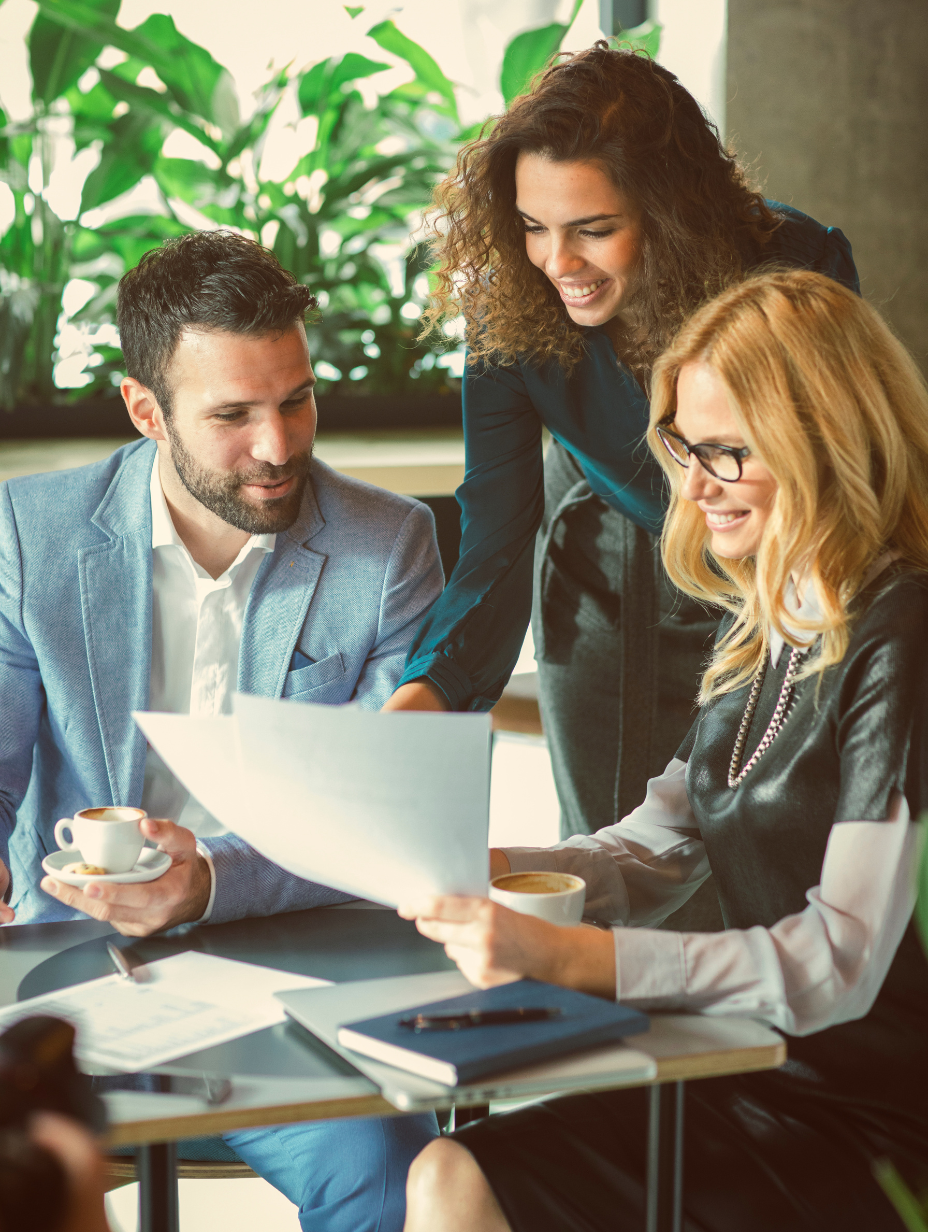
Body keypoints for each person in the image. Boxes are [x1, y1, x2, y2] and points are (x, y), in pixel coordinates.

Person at [400, 270, 928, 1232]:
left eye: (726, 453)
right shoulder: (771, 618)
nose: (690, 487)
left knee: (462, 1173)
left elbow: (837, 962)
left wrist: (576, 958)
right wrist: (497, 874)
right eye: (683, 445)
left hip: (875, 1118)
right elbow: (657, 843)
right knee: (449, 1170)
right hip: (745, 1059)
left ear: (830, 442)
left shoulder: (903, 636)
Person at [0, 231, 442, 1230]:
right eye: (233, 414)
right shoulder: (32, 534)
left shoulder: (391, 546)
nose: (279, 446)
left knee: (396, 1186)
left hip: (290, 976)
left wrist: (209, 880)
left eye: (295, 400)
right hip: (65, 981)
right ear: (145, 410)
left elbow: (376, 817)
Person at [384, 45, 860, 868]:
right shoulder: (509, 310)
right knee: (612, 856)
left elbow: (842, 488)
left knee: (774, 859)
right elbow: (495, 539)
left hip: (783, 565)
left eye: (593, 230)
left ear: (671, 211)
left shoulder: (795, 265)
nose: (556, 264)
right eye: (533, 227)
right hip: (608, 562)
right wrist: (424, 699)